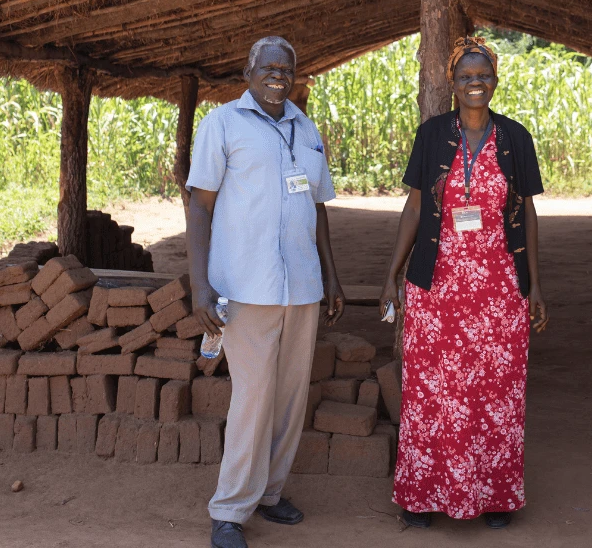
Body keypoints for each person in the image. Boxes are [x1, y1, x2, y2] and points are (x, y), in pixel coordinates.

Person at [379, 36, 548, 530]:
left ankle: (494, 497)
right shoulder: (432, 135)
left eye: (484, 76)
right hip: (438, 286)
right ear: (451, 85)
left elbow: (529, 214)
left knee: (496, 391)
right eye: (466, 77)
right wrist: (392, 274)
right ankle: (423, 495)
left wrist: (535, 285)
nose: (476, 84)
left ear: (495, 81)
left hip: (499, 288)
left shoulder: (515, 138)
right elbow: (414, 206)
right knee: (433, 391)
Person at [185, 36, 345, 548]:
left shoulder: (305, 127)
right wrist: (199, 285)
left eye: (287, 68)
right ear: (249, 71)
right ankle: (229, 511)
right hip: (245, 286)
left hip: (300, 287)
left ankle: (270, 494)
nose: (278, 75)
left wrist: (332, 276)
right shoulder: (223, 124)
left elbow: (316, 206)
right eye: (269, 67)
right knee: (252, 398)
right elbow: (199, 205)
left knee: (290, 398)